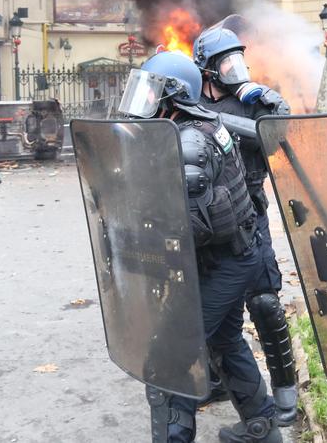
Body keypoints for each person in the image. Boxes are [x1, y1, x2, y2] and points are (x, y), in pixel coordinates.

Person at [117, 50, 281, 443]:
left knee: (171, 356)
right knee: (223, 339)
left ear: (171, 97)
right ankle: (261, 427)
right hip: (234, 254)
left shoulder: (190, 141)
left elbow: (192, 225)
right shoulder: (196, 123)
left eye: (151, 92)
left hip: (224, 261)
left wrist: (138, 234)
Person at [191, 27, 298, 426]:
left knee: (265, 303)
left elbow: (280, 139)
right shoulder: (192, 100)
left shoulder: (252, 103)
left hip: (250, 214)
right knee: (215, 306)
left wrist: (272, 101)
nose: (235, 68)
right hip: (210, 221)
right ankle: (217, 379)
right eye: (226, 61)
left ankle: (286, 390)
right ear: (208, 69)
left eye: (239, 59)